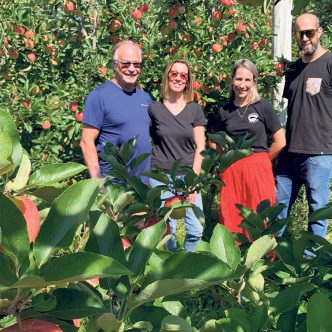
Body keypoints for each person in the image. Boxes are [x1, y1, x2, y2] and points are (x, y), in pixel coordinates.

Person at [209, 59, 286, 239]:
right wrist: (225, 157)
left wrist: (264, 160)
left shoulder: (263, 107)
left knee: (261, 215)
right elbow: (211, 141)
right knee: (231, 215)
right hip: (232, 170)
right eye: (238, 79)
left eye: (247, 80)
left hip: (259, 167)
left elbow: (280, 141)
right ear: (232, 80)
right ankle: (234, 260)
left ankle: (264, 261)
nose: (242, 85)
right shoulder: (223, 110)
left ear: (253, 82)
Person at [275, 13, 332, 241]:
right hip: (290, 151)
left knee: (317, 211)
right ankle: (269, 254)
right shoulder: (293, 70)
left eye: (310, 32)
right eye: (300, 33)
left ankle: (314, 262)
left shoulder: (329, 63)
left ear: (319, 32)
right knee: (278, 206)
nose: (305, 38)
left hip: (319, 152)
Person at [149, 60, 207, 252]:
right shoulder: (154, 109)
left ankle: (188, 261)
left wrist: (193, 180)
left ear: (188, 81)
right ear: (167, 76)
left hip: (188, 175)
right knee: (168, 229)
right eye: (174, 74)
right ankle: (171, 265)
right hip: (161, 176)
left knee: (196, 228)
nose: (178, 78)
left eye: (183, 75)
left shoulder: (194, 109)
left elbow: (201, 146)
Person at [80, 40, 152, 180]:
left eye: (136, 64)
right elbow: (86, 141)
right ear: (114, 65)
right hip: (114, 185)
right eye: (125, 63)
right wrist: (98, 182)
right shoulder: (99, 96)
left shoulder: (145, 98)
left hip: (142, 185)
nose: (131, 69)